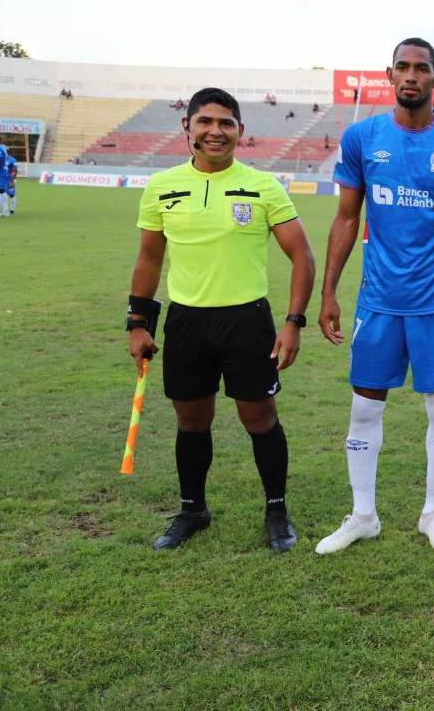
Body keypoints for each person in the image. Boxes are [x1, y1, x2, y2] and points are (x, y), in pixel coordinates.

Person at [315, 37, 434, 556]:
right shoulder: (361, 138)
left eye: (422, 69)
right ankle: (363, 515)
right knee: (364, 407)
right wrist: (328, 291)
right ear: (389, 76)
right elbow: (347, 218)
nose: (411, 76)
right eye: (403, 67)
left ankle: (432, 515)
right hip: (379, 301)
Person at [126, 87, 316, 552]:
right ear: (186, 127)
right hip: (187, 321)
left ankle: (276, 509)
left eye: (226, 123)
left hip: (247, 322)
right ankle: (193, 510)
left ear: (240, 132)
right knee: (191, 421)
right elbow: (149, 259)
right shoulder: (161, 187)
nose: (216, 131)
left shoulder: (263, 186)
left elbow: (302, 257)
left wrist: (293, 322)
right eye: (206, 122)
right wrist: (137, 322)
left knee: (259, 417)